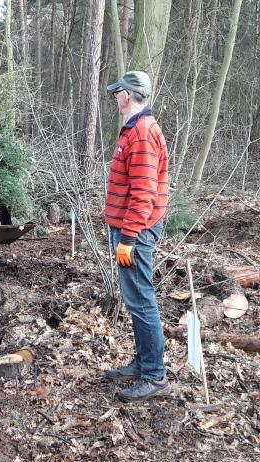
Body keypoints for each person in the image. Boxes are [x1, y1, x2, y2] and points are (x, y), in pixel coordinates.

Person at [103, 71, 170, 402]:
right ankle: (144, 363)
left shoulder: (141, 133)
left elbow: (144, 194)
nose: (115, 97)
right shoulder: (135, 129)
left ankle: (155, 376)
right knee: (136, 300)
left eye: (117, 92)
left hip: (136, 232)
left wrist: (128, 237)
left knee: (141, 301)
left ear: (127, 95)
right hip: (132, 228)